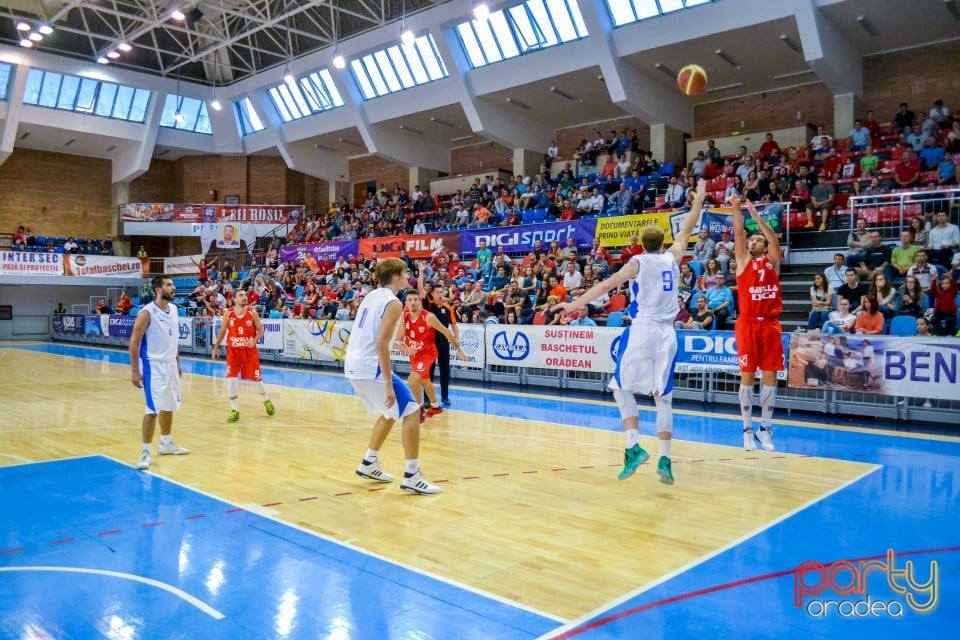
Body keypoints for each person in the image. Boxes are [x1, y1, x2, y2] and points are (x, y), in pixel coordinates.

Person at [553, 179, 708, 486]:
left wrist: (573, 305)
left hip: (644, 331)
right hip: (668, 335)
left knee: (620, 388)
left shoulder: (636, 263)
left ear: (641, 245)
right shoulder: (673, 257)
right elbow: (688, 229)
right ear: (663, 243)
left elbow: (604, 286)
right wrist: (700, 198)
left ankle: (633, 447)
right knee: (663, 398)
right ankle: (665, 458)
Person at [345, 258, 442, 495]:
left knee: (390, 412)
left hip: (354, 365)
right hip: (370, 366)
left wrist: (395, 343)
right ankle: (412, 475)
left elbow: (374, 335)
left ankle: (369, 462)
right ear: (396, 276)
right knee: (411, 409)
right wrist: (388, 385)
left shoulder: (371, 296)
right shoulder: (394, 303)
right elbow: (379, 345)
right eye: (405, 272)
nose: (408, 275)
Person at [729, 196, 782, 452]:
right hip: (748, 323)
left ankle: (766, 428)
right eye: (752, 240)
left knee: (770, 374)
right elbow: (739, 233)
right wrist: (737, 208)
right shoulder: (743, 261)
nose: (753, 241)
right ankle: (747, 429)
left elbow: (773, 238)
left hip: (770, 323)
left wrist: (756, 215)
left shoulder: (771, 260)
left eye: (757, 239)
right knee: (747, 376)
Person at [129, 275, 189, 470]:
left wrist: (177, 361)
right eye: (169, 285)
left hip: (171, 363)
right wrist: (135, 371)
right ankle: (145, 451)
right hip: (153, 365)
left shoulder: (174, 310)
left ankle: (166, 443)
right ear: (157, 289)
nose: (174, 288)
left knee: (169, 405)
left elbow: (173, 339)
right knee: (152, 409)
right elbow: (134, 342)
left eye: (173, 284)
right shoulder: (147, 313)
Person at [396, 289, 466, 423]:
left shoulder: (428, 317)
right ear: (405, 303)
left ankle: (418, 409)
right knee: (424, 381)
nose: (412, 303)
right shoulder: (404, 315)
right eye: (409, 300)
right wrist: (405, 347)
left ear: (420, 301)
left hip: (427, 353)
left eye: (415, 299)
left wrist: (458, 349)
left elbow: (446, 331)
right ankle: (435, 406)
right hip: (414, 354)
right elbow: (399, 339)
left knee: (412, 379)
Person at [212, 289, 275, 423]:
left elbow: (261, 331)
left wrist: (254, 340)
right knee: (232, 380)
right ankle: (235, 411)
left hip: (249, 351)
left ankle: (266, 399)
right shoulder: (228, 314)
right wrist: (216, 347)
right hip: (233, 351)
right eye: (241, 295)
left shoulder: (252, 312)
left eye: (245, 295)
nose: (244, 297)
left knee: (257, 380)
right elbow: (223, 331)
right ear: (234, 299)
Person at [418, 262, 459, 407]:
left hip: (443, 343)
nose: (440, 295)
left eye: (442, 292)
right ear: (432, 294)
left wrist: (457, 338)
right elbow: (421, 289)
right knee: (428, 371)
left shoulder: (448, 308)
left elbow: (454, 325)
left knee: (445, 370)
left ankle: (445, 396)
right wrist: (421, 272)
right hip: (429, 344)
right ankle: (428, 399)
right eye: (437, 292)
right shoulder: (428, 305)